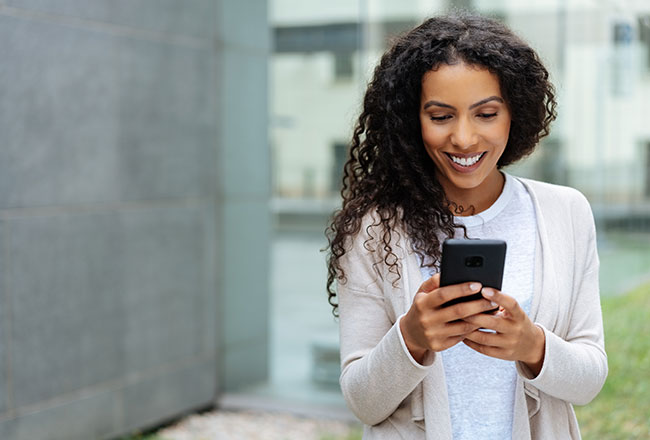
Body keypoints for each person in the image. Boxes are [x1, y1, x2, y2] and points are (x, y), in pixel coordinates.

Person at [325, 13, 607, 440]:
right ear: (410, 121)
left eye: (486, 114)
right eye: (440, 117)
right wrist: (412, 337)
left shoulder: (565, 212)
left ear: (514, 113)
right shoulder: (374, 229)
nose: (464, 139)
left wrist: (532, 345)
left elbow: (589, 381)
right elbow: (363, 402)